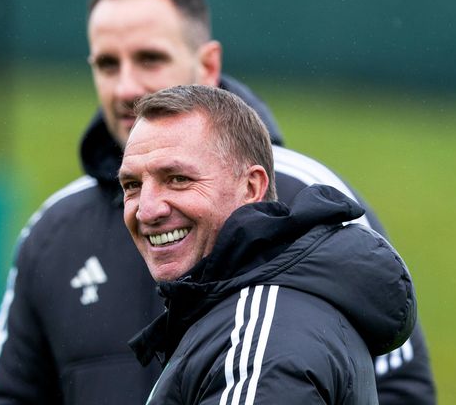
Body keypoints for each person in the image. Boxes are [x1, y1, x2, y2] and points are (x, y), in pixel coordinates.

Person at [0, 0, 435, 404]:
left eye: (149, 58)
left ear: (208, 63)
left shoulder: (311, 197)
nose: (126, 87)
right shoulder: (55, 230)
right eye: (108, 64)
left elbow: (397, 383)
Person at [121, 84, 416, 404]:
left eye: (178, 179)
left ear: (251, 187)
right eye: (132, 185)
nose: (146, 210)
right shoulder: (256, 315)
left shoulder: (257, 343)